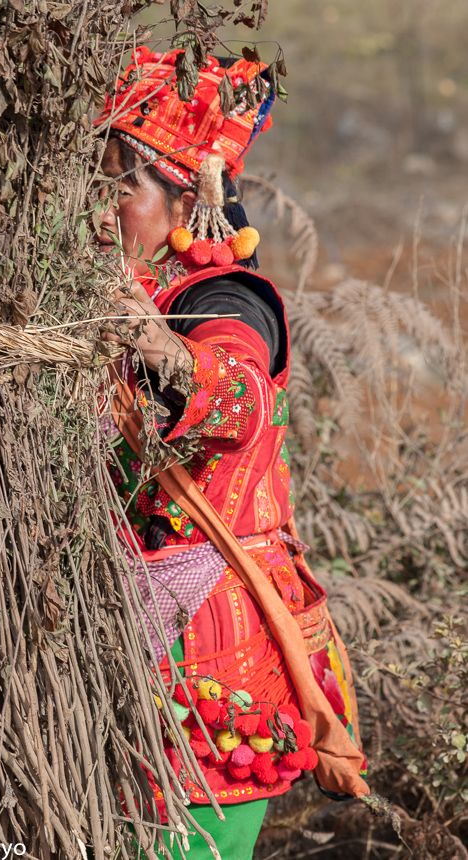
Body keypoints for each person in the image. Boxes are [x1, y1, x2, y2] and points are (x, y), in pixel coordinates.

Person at [95, 47, 368, 860]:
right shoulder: (126, 294)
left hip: (214, 661)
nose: (100, 207)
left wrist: (156, 346)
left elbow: (240, 394)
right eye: (95, 180)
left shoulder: (224, 300)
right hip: (124, 640)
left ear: (193, 195)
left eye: (122, 184)